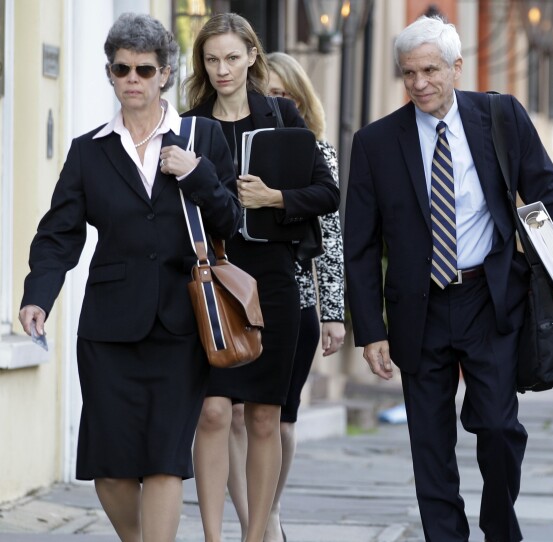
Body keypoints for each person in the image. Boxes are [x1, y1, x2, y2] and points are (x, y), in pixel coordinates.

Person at [344, 15, 553, 542]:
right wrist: (370, 329)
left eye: (430, 70)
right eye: (408, 73)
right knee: (429, 442)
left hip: (490, 296)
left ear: (457, 68)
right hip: (419, 307)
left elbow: (548, 190)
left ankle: (500, 528)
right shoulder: (375, 142)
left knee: (500, 428)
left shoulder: (500, 117)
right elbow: (361, 246)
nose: (419, 84)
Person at [18, 13, 241, 542]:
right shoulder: (88, 150)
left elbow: (232, 218)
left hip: (181, 324)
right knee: (111, 468)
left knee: (165, 459)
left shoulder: (200, 135)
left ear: (165, 73)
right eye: (123, 70)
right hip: (110, 329)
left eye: (145, 69)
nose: (133, 80)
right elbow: (59, 233)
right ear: (111, 74)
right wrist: (38, 296)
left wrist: (196, 172)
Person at [182, 13, 339, 542]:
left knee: (267, 417)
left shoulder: (283, 114)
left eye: (231, 57)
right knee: (212, 411)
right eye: (211, 59)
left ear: (252, 55)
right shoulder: (189, 124)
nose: (221, 69)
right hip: (213, 277)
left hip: (273, 276)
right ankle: (211, 535)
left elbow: (327, 191)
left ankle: (256, 535)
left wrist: (275, 198)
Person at [221, 51, 346, 542]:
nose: (270, 104)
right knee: (227, 413)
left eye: (280, 96)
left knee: (279, 418)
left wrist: (334, 313)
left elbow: (332, 239)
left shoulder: (318, 152)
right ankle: (249, 518)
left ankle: (269, 512)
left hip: (292, 301)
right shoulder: (229, 144)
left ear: (297, 101)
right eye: (262, 94)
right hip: (234, 298)